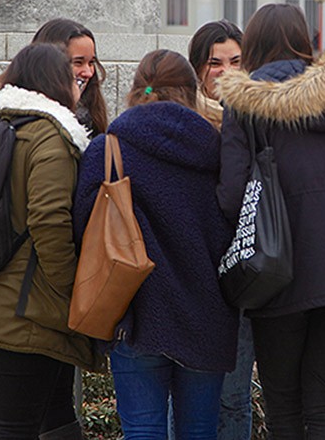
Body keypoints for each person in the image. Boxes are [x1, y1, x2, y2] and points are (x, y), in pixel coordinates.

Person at [216, 3, 325, 439]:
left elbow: (234, 194)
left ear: (252, 45)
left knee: (284, 405)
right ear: (303, 41)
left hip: (278, 270)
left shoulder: (244, 102)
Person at [0, 43, 103, 439]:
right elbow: (49, 220)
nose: (81, 82)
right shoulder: (50, 137)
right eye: (72, 76)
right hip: (24, 313)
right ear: (55, 84)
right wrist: (69, 290)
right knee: (16, 428)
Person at [73, 50, 238, 440]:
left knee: (143, 430)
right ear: (193, 91)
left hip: (134, 313)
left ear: (135, 89)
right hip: (208, 316)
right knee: (199, 431)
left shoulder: (109, 148)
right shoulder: (218, 149)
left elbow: (82, 228)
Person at [187, 20, 253, 439]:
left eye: (235, 61)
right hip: (192, 272)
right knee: (189, 394)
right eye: (215, 63)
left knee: (235, 394)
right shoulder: (182, 117)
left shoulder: (255, 117)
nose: (225, 71)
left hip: (242, 274)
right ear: (198, 67)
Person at [0, 18, 109, 137]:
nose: (88, 72)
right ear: (51, 62)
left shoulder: (90, 110)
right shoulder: (9, 114)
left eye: (91, 63)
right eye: (78, 62)